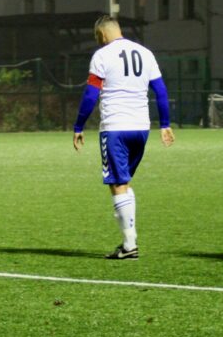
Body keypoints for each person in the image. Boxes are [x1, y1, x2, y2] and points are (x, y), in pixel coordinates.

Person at [73, 15, 175, 260]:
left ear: (103, 34)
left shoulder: (102, 55)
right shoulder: (145, 53)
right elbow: (161, 91)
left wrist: (78, 125)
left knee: (118, 184)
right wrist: (165, 124)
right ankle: (129, 240)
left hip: (115, 127)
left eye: (97, 37)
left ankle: (130, 246)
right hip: (141, 128)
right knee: (124, 182)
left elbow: (91, 94)